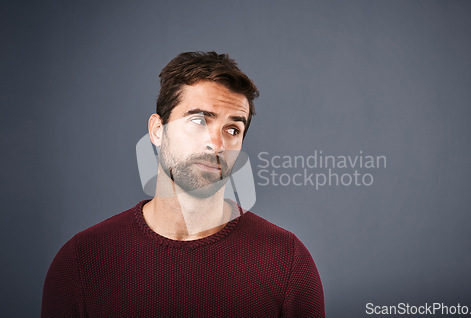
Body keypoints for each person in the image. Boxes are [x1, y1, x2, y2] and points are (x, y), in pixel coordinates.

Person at [42, 51, 325, 317]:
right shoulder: (82, 261)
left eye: (233, 129)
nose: (216, 144)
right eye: (199, 120)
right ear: (157, 130)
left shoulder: (286, 261)